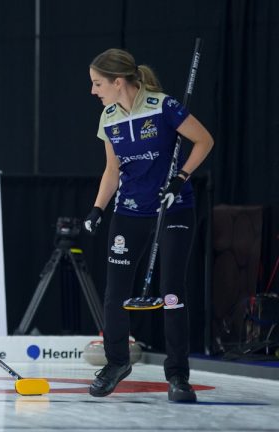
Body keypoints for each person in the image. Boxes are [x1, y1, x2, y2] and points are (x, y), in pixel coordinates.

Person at [82, 49, 214, 402]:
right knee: (115, 295)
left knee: (172, 290)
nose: (94, 91)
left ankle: (178, 377)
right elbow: (112, 171)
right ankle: (116, 363)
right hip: (129, 211)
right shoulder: (108, 118)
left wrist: (181, 177)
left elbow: (204, 140)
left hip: (173, 209)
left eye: (98, 83)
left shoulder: (163, 106)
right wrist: (98, 209)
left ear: (118, 81)